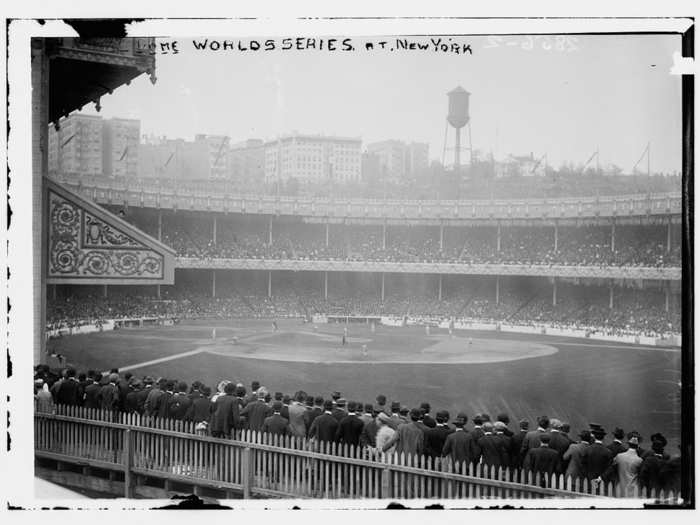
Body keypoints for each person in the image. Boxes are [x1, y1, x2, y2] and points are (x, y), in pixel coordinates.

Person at [605, 432, 643, 497]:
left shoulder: (619, 457)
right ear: (637, 446)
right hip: (633, 491)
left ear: (628, 444)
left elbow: (610, 468)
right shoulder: (639, 460)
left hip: (620, 489)